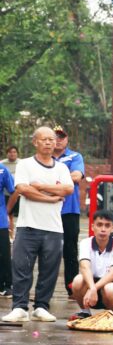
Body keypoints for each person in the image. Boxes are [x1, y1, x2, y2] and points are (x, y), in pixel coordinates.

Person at [2, 127, 72, 323]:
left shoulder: (61, 168)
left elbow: (68, 188)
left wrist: (40, 186)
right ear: (35, 142)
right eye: (45, 139)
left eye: (52, 139)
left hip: (53, 227)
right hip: (28, 225)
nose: (50, 143)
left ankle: (41, 306)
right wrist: (50, 199)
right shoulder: (25, 165)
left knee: (49, 269)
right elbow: (23, 188)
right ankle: (19, 307)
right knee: (22, 267)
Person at [70, 209, 113, 319]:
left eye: (107, 226)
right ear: (93, 227)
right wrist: (92, 288)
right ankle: (85, 312)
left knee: (110, 289)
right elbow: (84, 267)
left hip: (112, 287)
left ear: (112, 229)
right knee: (77, 281)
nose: (103, 229)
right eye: (99, 225)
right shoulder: (85, 243)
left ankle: (109, 315)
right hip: (89, 288)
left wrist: (93, 289)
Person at [52, 125, 85, 297]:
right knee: (48, 250)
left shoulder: (75, 156)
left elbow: (77, 176)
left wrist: (50, 180)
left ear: (67, 139)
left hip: (69, 210)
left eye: (61, 136)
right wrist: (64, 181)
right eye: (54, 136)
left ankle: (72, 288)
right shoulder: (43, 158)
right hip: (48, 209)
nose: (58, 140)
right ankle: (46, 290)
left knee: (71, 251)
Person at [0, 156, 15, 296]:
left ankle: (7, 284)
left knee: (4, 253)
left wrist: (7, 209)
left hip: (1, 221)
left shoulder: (2, 170)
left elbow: (14, 190)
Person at [4, 146, 20, 240]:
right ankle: (11, 236)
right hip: (6, 194)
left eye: (14, 152)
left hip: (20, 194)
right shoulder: (2, 164)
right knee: (9, 214)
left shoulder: (22, 163)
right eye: (10, 152)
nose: (12, 154)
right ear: (7, 153)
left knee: (18, 215)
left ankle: (17, 236)